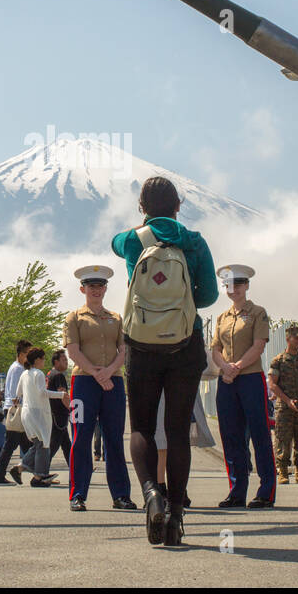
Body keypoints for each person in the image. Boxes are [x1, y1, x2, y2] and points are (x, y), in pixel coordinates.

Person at [112, 176, 219, 545]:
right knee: (176, 432)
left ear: (142, 207)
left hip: (141, 345)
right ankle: (175, 514)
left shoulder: (131, 240)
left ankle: (150, 494)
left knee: (141, 427)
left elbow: (114, 243)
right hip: (185, 343)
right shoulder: (194, 241)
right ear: (178, 205)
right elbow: (207, 297)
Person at [63, 267, 135, 512]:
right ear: (82, 289)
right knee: (81, 438)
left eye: (100, 286)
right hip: (83, 383)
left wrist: (108, 372)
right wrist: (96, 373)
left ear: (105, 288)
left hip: (113, 384)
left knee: (114, 439)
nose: (95, 290)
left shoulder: (115, 318)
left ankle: (121, 495)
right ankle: (78, 494)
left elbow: (122, 351)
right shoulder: (73, 317)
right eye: (90, 286)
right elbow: (73, 351)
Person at [210, 264, 277, 508]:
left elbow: (259, 345)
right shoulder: (222, 317)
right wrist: (225, 368)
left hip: (249, 377)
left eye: (238, 284)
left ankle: (266, 491)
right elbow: (215, 349)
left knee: (259, 435)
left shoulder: (258, 312)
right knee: (231, 436)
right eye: (229, 284)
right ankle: (237, 490)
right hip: (227, 380)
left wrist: (236, 367)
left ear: (247, 285)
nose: (234, 289)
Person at [269, 325, 298, 485]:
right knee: (283, 439)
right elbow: (272, 384)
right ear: (288, 338)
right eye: (296, 338)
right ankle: (282, 471)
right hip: (284, 408)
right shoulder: (279, 361)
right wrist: (287, 400)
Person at [13, 347, 66, 487]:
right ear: (37, 360)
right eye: (42, 358)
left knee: (38, 444)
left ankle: (20, 468)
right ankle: (39, 476)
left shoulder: (24, 374)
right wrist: (61, 395)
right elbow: (42, 393)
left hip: (26, 412)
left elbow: (18, 393)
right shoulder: (39, 374)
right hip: (38, 413)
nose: (44, 361)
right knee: (43, 444)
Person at [0, 341, 39, 486]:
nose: (30, 357)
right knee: (12, 445)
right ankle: (0, 476)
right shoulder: (18, 369)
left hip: (16, 409)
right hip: (16, 410)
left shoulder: (18, 368)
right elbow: (15, 394)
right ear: (20, 355)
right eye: (27, 354)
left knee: (26, 444)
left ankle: (38, 474)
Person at [47, 351, 72, 468]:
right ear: (56, 362)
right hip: (58, 416)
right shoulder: (58, 375)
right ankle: (38, 472)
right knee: (53, 446)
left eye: (66, 360)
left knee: (66, 445)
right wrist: (72, 409)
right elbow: (63, 395)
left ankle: (77, 468)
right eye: (64, 360)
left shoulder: (50, 373)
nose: (66, 362)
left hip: (54, 414)